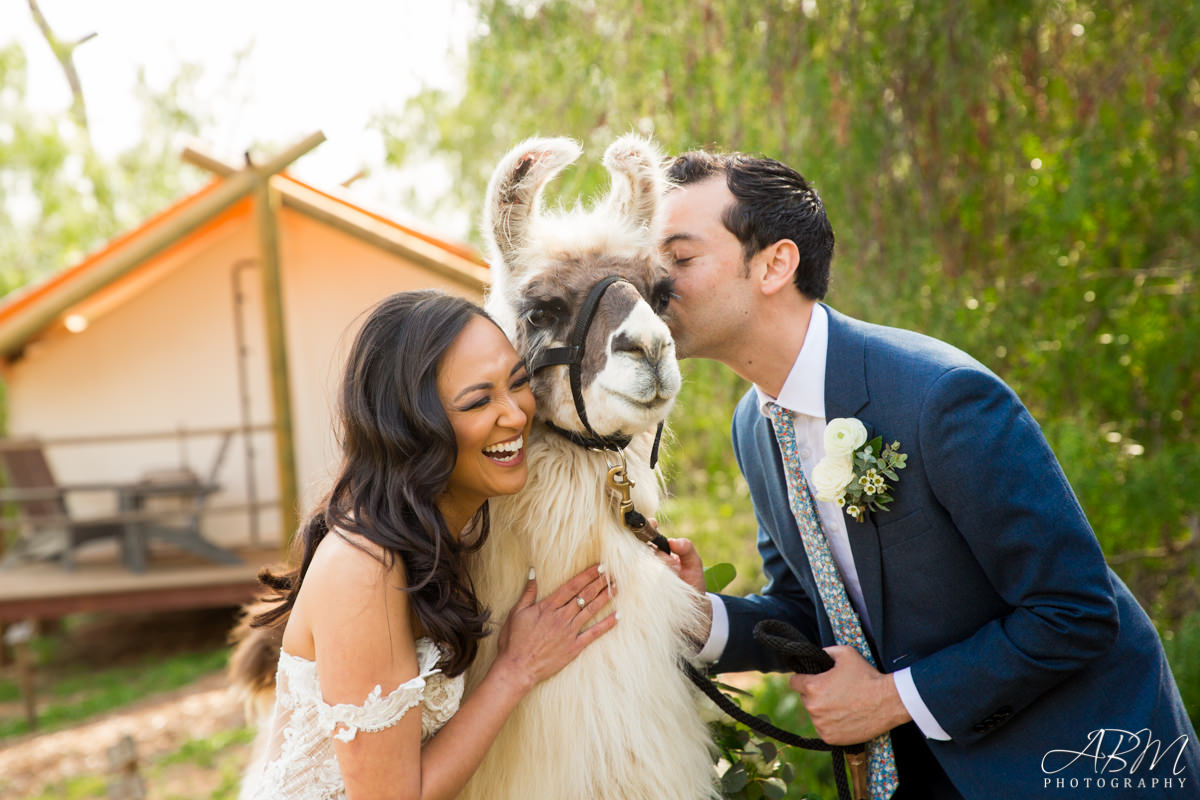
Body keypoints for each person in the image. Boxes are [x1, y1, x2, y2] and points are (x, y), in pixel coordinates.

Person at [658, 150, 1197, 799]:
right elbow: (818, 608)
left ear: (775, 264)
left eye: (680, 258)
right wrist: (699, 619)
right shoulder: (755, 424)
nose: (654, 281)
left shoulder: (941, 398)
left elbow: (1073, 612)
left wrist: (890, 700)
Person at [238, 290, 617, 800]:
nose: (516, 414)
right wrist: (514, 671)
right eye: (479, 401)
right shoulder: (365, 567)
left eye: (519, 382)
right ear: (412, 428)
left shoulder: (445, 528)